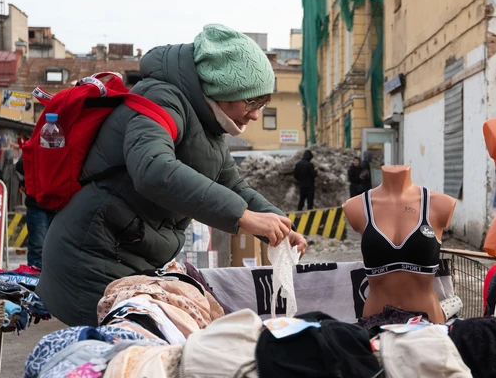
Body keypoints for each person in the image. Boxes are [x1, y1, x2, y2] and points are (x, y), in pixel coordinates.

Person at [37, 24, 305, 327]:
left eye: (262, 104)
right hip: (90, 260)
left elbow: (230, 183)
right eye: (251, 102)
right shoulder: (160, 99)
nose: (256, 114)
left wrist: (276, 222)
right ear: (223, 87)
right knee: (123, 363)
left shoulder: (208, 121)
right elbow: (153, 169)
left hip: (127, 256)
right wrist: (243, 216)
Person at [15, 155, 55, 270]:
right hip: (39, 204)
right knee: (39, 248)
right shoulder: (37, 142)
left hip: (53, 204)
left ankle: (38, 278)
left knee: (50, 248)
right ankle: (35, 279)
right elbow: (20, 165)